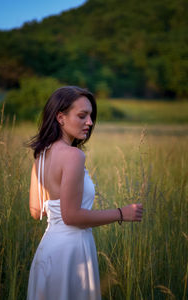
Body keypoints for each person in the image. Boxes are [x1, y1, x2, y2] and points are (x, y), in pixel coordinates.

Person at [27, 86, 143, 300]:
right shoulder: (73, 156)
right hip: (71, 252)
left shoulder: (41, 154)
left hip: (48, 251)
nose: (90, 122)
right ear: (60, 117)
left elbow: (36, 211)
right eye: (82, 116)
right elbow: (71, 216)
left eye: (90, 116)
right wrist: (121, 213)